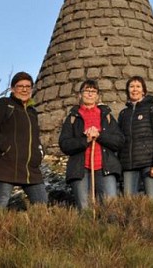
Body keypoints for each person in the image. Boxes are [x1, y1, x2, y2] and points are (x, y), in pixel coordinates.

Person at [0, 71, 47, 208]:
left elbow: (34, 137)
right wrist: (6, 147)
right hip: (6, 165)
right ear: (12, 88)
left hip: (30, 168)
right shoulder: (3, 104)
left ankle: (40, 230)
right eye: (20, 86)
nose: (24, 89)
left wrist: (39, 152)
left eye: (28, 86)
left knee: (42, 205)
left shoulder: (32, 112)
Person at [59, 79, 125, 210]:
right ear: (80, 95)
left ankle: (110, 231)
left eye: (93, 91)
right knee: (84, 209)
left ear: (98, 95)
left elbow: (119, 141)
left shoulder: (107, 116)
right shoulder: (72, 117)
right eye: (86, 91)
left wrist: (100, 136)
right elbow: (64, 144)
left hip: (105, 168)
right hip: (81, 169)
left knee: (110, 208)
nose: (90, 94)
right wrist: (85, 140)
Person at [117, 76, 153, 200]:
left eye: (138, 86)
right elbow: (120, 140)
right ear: (127, 90)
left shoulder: (152, 109)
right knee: (129, 201)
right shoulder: (123, 114)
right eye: (131, 86)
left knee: (151, 201)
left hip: (148, 163)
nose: (135, 90)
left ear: (143, 90)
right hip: (129, 165)